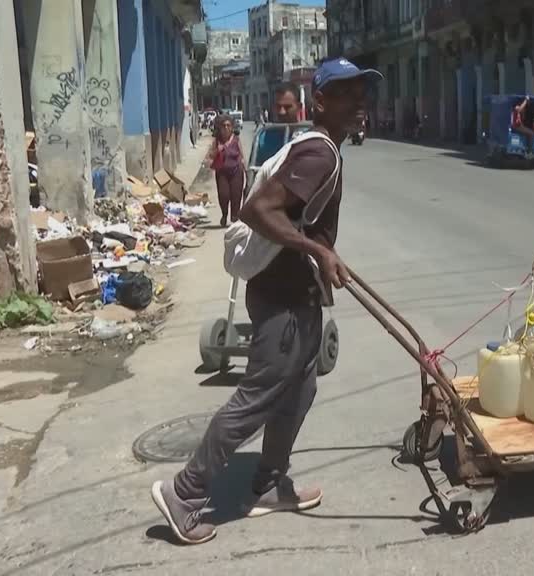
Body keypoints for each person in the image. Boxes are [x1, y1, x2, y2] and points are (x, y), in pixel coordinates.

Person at [150, 58, 381, 546]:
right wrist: (316, 249)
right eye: (346, 93)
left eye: (361, 92)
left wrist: (321, 249)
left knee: (299, 391)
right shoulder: (319, 154)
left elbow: (299, 218)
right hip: (281, 298)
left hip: (296, 293)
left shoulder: (322, 150)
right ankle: (185, 493)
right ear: (320, 102)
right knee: (257, 397)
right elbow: (258, 210)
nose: (358, 101)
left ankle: (268, 483)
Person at [206, 115, 246, 227]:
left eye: (228, 125)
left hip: (236, 171)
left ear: (232, 127)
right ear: (220, 128)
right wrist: (217, 151)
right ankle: (224, 214)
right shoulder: (217, 141)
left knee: (236, 195)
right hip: (222, 172)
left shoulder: (236, 139)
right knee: (224, 195)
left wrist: (245, 167)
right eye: (224, 126)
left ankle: (234, 217)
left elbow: (242, 156)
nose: (226, 128)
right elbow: (210, 156)